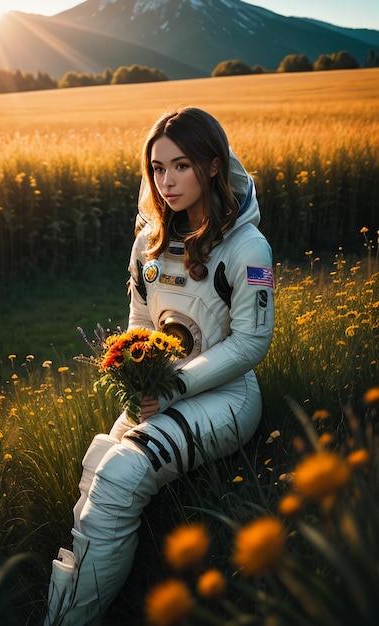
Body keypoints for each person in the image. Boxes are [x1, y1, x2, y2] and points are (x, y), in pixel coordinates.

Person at [44, 107, 275, 625]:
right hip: (164, 393)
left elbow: (251, 344)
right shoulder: (149, 243)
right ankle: (61, 614)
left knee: (124, 472)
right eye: (157, 168)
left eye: (181, 166)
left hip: (228, 397)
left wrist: (173, 387)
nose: (166, 182)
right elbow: (139, 326)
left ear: (213, 166)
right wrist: (138, 383)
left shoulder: (246, 245)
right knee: (99, 462)